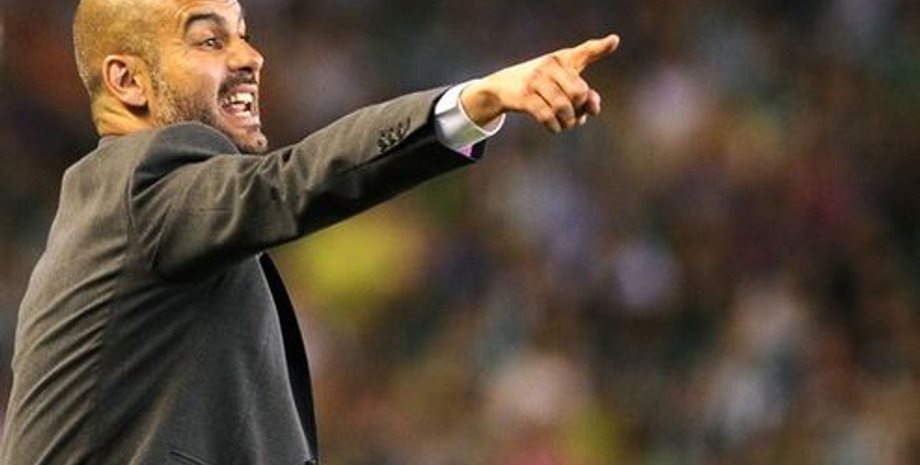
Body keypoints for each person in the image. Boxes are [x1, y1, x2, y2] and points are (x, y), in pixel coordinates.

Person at [0, 0, 619, 463]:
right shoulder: (140, 182)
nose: (250, 57)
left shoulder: (146, 224)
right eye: (210, 40)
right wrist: (476, 101)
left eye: (244, 33)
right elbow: (288, 184)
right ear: (127, 81)